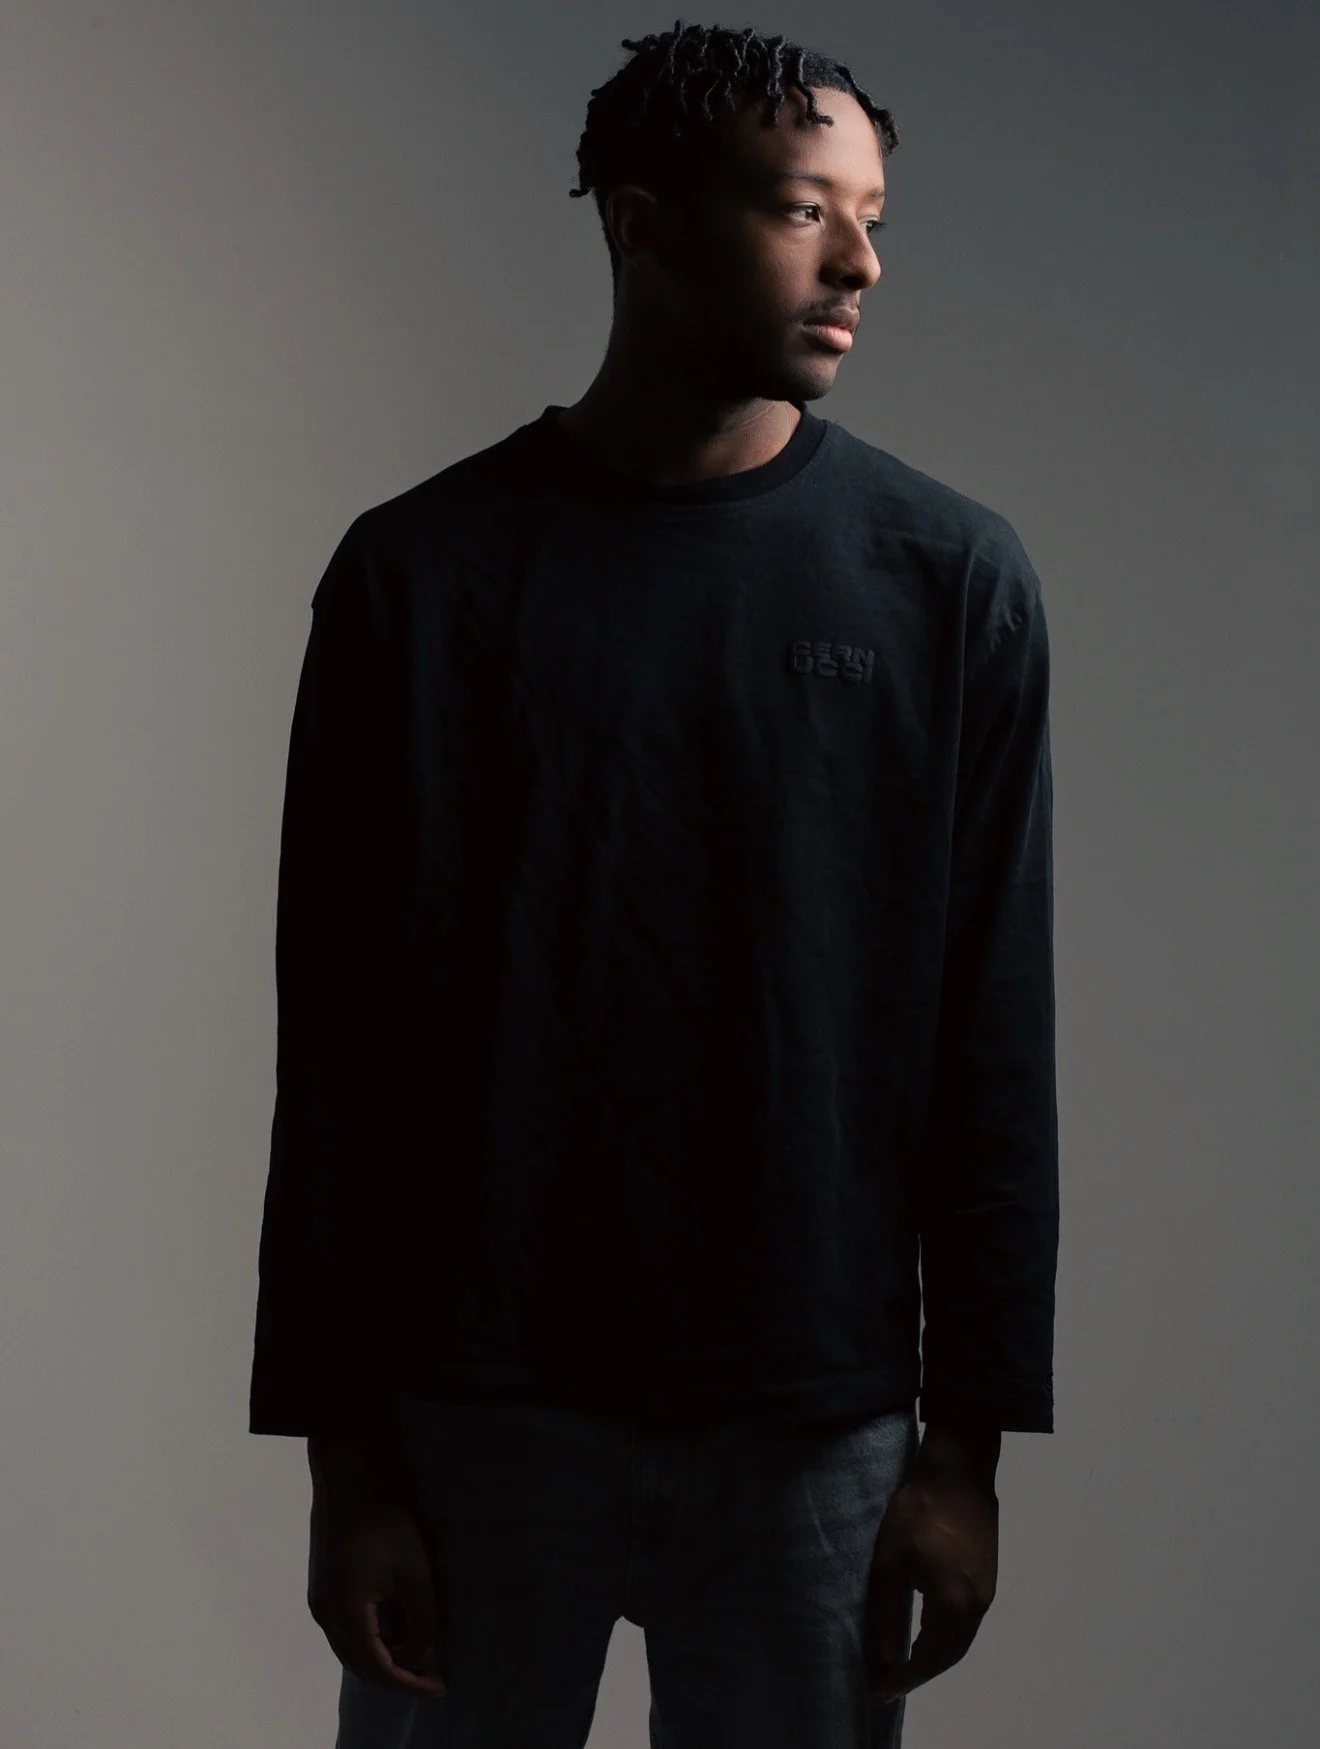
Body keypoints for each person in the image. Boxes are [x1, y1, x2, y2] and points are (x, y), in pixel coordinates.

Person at [249, 21, 1059, 1749]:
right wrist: (345, 1456)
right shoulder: (422, 578)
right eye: (800, 210)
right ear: (639, 222)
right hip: (473, 1414)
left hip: (817, 1428)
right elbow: (340, 1045)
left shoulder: (949, 583)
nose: (859, 263)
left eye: (875, 217)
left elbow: (991, 1031)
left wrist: (968, 1444)